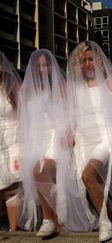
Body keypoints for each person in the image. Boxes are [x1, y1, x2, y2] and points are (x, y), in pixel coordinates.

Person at [18, 49, 95, 237]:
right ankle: (53, 220)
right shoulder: (28, 91)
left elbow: (74, 112)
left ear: (51, 66)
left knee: (41, 171)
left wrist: (70, 132)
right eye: (39, 66)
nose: (43, 69)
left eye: (46, 65)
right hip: (38, 140)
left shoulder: (63, 86)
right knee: (36, 173)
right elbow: (25, 120)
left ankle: (48, 220)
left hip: (56, 137)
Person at [0, 51, 22, 231]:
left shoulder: (13, 87)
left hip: (13, 140)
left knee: (13, 185)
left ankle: (14, 231)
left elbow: (25, 114)